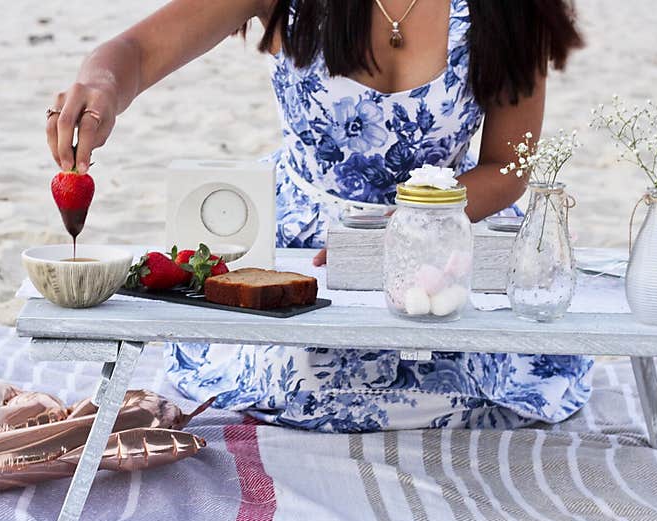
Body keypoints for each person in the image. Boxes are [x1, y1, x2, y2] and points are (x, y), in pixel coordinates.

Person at [47, 0, 592, 432]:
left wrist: (410, 225)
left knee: (457, 375)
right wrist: (101, 89)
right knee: (307, 376)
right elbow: (137, 50)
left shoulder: (510, 8)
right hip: (299, 243)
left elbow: (506, 165)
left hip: (438, 231)